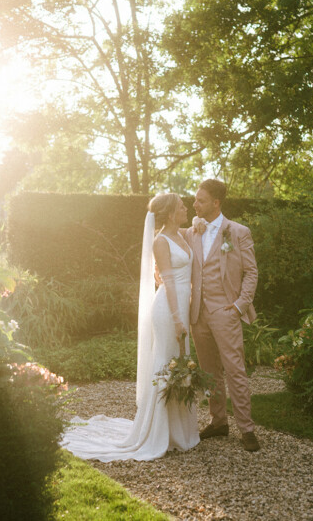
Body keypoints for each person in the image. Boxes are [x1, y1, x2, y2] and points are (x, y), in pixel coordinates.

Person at [60, 193, 199, 461]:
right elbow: (168, 281)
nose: (186, 208)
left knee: (181, 363)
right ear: (170, 213)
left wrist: (198, 223)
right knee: (166, 364)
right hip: (168, 309)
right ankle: (157, 433)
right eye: (181, 206)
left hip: (181, 306)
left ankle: (179, 432)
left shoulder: (182, 235)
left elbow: (195, 227)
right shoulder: (160, 241)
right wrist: (178, 319)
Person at [180, 179, 260, 451]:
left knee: (235, 369)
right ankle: (218, 422)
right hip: (198, 313)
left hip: (225, 311)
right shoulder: (192, 231)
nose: (195, 204)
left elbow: (251, 272)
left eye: (200, 200)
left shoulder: (237, 232)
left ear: (216, 202)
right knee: (209, 372)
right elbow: (166, 237)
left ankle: (246, 429)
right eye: (194, 200)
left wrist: (240, 305)